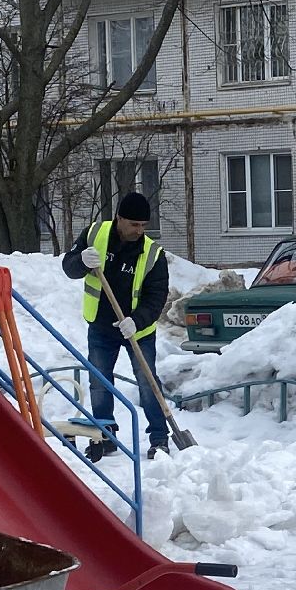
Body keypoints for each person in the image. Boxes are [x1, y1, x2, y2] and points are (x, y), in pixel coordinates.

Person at [61, 192, 170, 460]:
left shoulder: (153, 254)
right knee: (99, 382)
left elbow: (157, 297)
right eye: (134, 224)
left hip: (138, 331)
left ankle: (159, 439)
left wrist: (137, 321)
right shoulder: (95, 233)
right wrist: (81, 262)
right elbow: (69, 266)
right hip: (101, 327)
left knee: (148, 383)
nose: (139, 230)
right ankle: (104, 436)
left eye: (144, 225)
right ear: (119, 218)